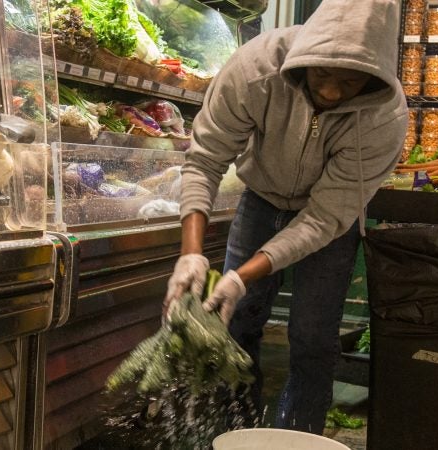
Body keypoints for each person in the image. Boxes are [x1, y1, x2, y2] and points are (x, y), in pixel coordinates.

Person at [163, 0, 407, 435]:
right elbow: (204, 161)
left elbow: (322, 219)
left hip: (328, 224)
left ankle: (299, 435)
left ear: (372, 79)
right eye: (322, 75)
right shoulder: (255, 68)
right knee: (232, 323)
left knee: (313, 339)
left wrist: (241, 276)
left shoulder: (383, 117)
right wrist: (191, 254)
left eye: (349, 82)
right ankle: (234, 431)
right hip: (259, 199)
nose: (331, 92)